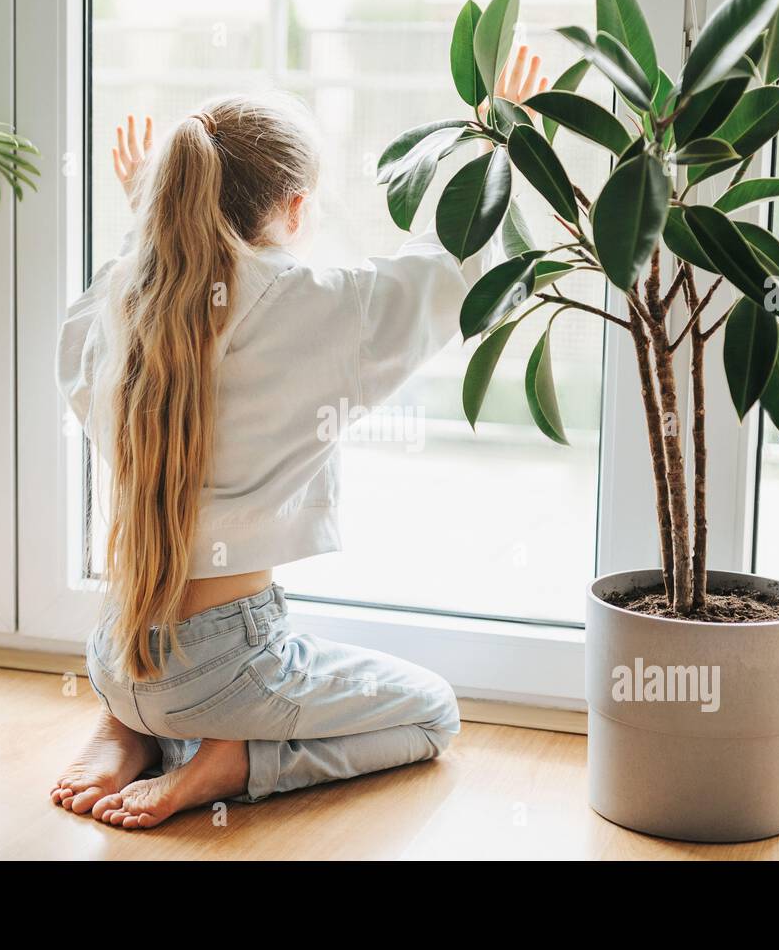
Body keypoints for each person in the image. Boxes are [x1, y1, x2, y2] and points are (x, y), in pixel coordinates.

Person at [51, 49, 548, 828]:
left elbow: (83, 346)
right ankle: (233, 759)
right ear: (292, 207)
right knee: (433, 714)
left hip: (114, 652)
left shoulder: (125, 304)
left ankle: (130, 726)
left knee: (167, 673)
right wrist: (497, 141)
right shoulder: (315, 311)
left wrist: (141, 222)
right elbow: (445, 273)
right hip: (221, 671)